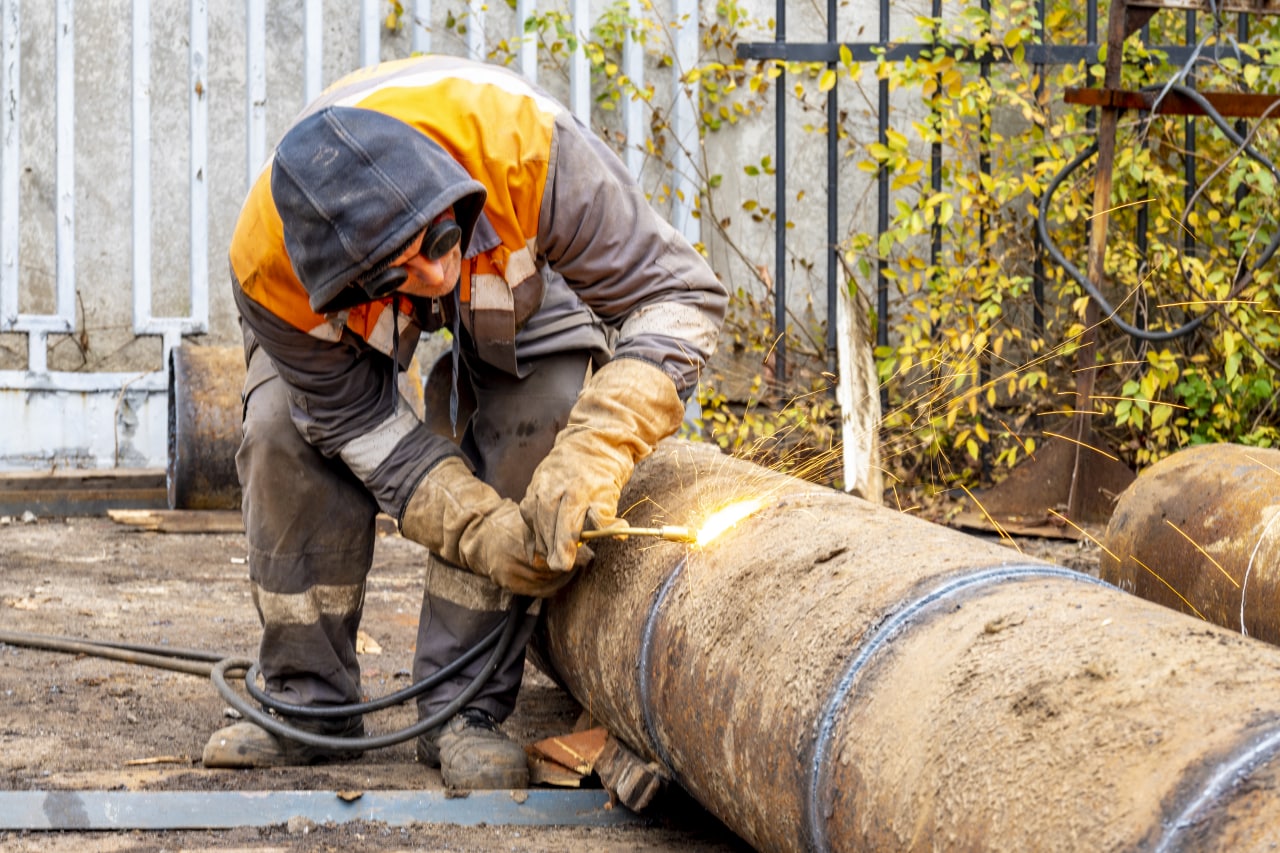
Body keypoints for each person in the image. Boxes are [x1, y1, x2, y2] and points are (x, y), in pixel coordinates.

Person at [200, 54, 727, 790]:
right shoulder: (273, 269)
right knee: (282, 436)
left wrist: (599, 446)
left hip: (511, 258)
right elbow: (359, 426)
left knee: (540, 417)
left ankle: (462, 708)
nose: (438, 278)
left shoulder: (530, 152)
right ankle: (308, 700)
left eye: (438, 245)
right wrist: (481, 530)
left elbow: (679, 297)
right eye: (401, 272)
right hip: (342, 292)